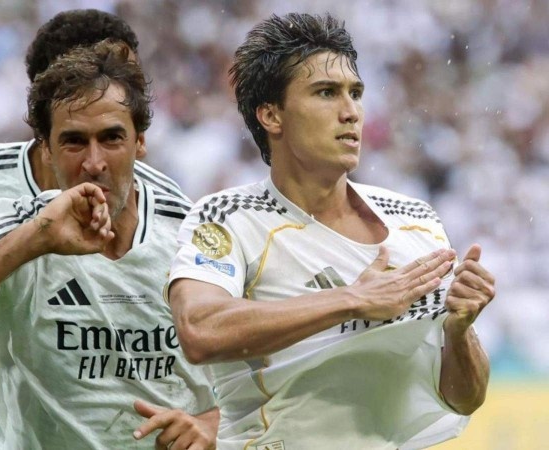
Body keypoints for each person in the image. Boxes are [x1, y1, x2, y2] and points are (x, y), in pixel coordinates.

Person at [167, 12, 495, 450]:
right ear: (271, 115)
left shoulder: (416, 220)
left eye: (355, 93)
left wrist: (459, 331)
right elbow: (199, 331)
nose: (350, 112)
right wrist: (352, 300)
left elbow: (464, 398)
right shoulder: (229, 216)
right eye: (326, 93)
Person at [0, 40, 218, 449]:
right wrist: (36, 239)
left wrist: (213, 424)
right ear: (46, 149)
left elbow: (260, 369)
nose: (94, 163)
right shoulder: (22, 225)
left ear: (140, 142)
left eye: (112, 138)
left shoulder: (190, 231)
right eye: (74, 141)